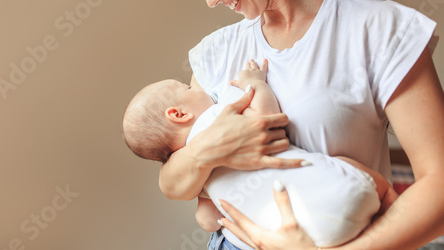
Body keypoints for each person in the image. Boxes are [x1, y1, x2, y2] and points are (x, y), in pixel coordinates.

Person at [159, 0, 444, 249]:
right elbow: (172, 182)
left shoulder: (380, 30)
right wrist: (207, 150)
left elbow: (438, 183)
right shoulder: (217, 52)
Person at [123, 59, 397, 249]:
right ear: (179, 114)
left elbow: (206, 220)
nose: (197, 88)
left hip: (290, 237)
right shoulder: (217, 117)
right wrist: (256, 84)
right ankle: (386, 195)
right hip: (343, 199)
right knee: (341, 164)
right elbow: (266, 118)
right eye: (188, 88)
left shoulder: (200, 178)